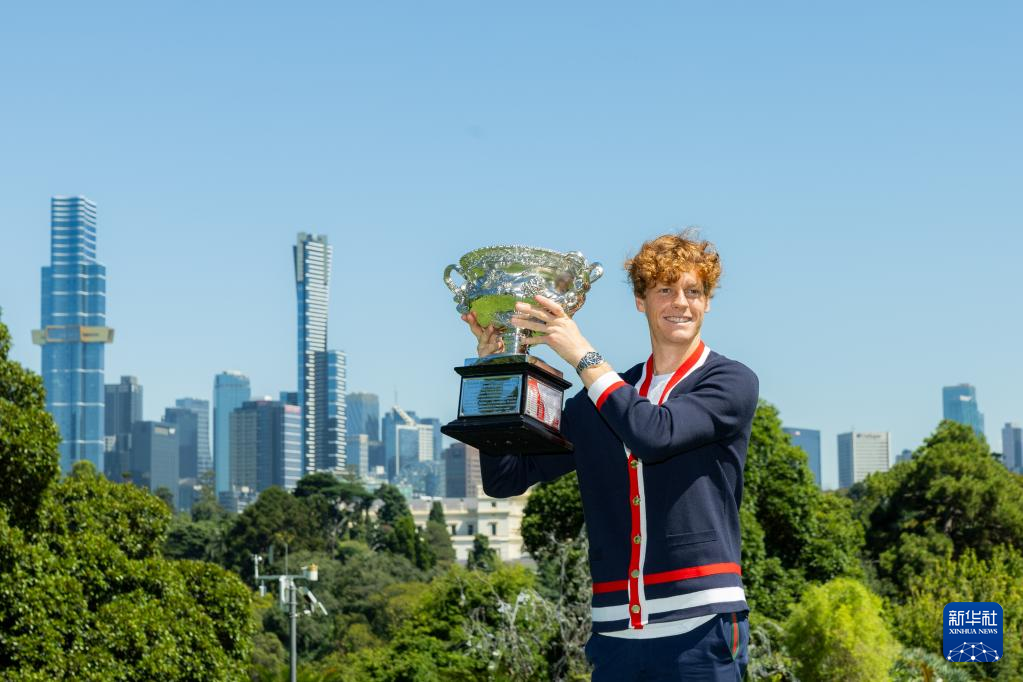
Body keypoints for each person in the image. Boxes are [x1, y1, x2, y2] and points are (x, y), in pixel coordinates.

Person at [461, 231, 759, 681]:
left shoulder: (730, 381)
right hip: (615, 636)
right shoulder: (602, 399)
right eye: (665, 290)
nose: (681, 303)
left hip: (702, 626)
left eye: (693, 291)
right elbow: (507, 477)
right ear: (641, 301)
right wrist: (498, 371)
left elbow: (654, 434)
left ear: (707, 302)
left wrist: (582, 354)